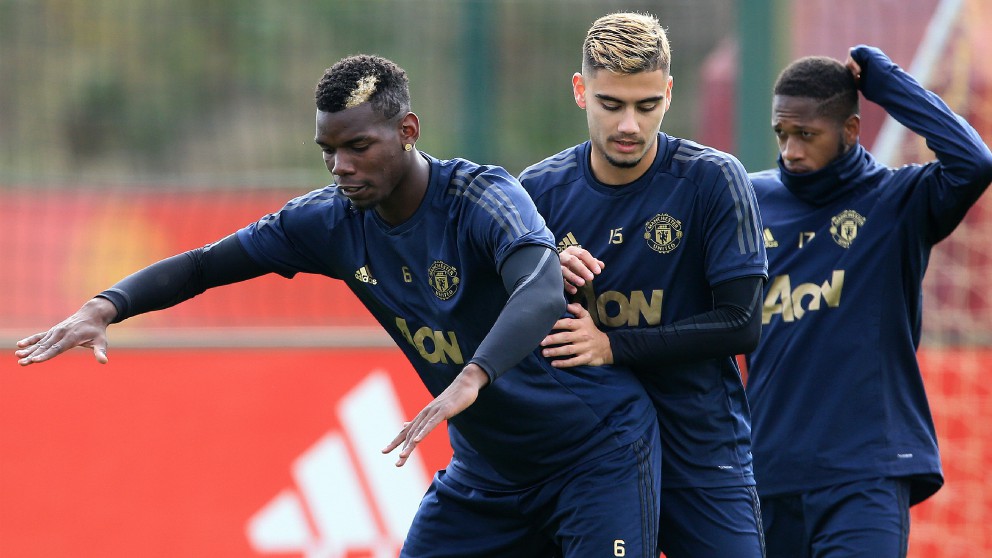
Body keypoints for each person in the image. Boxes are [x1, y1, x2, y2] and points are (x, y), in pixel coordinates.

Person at [14, 54, 663, 558]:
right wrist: (107, 304)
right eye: (329, 152)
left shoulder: (481, 197)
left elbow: (543, 287)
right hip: (490, 474)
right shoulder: (327, 222)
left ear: (407, 131)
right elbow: (209, 264)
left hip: (592, 453)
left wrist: (473, 375)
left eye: (358, 147)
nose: (341, 167)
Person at [519, 12, 767, 558]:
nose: (629, 124)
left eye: (646, 105)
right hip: (589, 459)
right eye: (612, 104)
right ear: (581, 91)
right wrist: (537, 281)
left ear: (670, 94)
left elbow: (742, 322)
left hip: (702, 457)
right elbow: (503, 322)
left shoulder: (714, 179)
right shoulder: (536, 190)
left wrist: (612, 346)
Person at [745, 46, 992, 557]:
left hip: (865, 475)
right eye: (781, 134)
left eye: (806, 135)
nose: (790, 150)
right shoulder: (747, 202)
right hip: (766, 475)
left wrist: (889, 83)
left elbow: (974, 163)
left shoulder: (897, 202)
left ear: (851, 130)